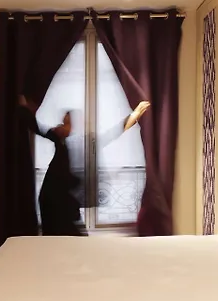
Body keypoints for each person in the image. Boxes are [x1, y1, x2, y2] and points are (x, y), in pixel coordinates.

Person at [19, 95, 150, 236]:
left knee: (72, 234)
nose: (61, 126)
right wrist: (24, 108)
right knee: (61, 234)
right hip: (51, 200)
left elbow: (114, 132)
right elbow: (37, 127)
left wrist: (135, 114)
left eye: (67, 123)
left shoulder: (87, 142)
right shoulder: (60, 138)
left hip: (64, 201)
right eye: (63, 123)